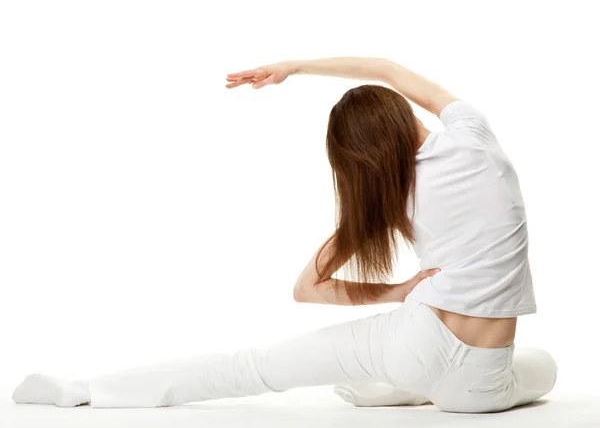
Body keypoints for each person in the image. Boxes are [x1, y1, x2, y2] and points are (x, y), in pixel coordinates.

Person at [12, 57, 557, 413]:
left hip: (410, 345)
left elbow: (307, 288)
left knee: (251, 368)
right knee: (544, 367)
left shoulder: (384, 197)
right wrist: (296, 66)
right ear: (404, 114)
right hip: (476, 388)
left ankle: (83, 393)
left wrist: (397, 291)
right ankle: (393, 389)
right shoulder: (473, 136)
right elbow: (386, 69)